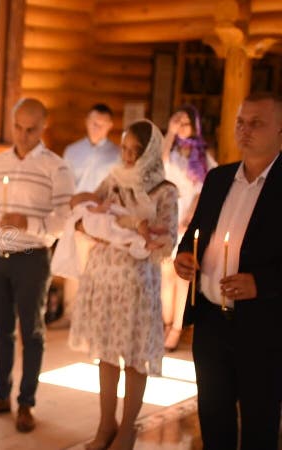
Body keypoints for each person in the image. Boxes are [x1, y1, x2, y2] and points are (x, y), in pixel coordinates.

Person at [174, 92, 282, 450]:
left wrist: (261, 283)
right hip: (210, 322)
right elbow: (194, 236)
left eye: (257, 123)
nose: (245, 130)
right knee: (214, 418)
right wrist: (184, 258)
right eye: (240, 122)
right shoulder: (218, 178)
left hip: (264, 327)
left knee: (259, 423)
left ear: (280, 129)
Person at [69, 119, 178, 450]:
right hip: (104, 278)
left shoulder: (165, 190)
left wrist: (133, 230)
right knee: (106, 354)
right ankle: (106, 424)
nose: (128, 157)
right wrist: (97, 223)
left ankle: (128, 427)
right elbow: (87, 211)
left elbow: (168, 239)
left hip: (136, 284)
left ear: (150, 153)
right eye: (125, 149)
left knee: (133, 356)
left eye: (136, 151)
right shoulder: (114, 179)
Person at [0, 98, 74, 432]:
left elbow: (64, 220)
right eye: (18, 127)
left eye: (31, 129)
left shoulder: (56, 168)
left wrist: (27, 221)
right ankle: (0, 394)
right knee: (1, 330)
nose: (23, 134)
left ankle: (26, 403)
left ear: (43, 127)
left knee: (32, 332)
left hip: (32, 260)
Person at [53, 104, 121, 329]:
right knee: (74, 261)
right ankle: (71, 313)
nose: (96, 127)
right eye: (93, 122)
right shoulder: (72, 151)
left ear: (110, 125)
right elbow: (65, 183)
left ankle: (95, 317)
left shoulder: (116, 154)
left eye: (101, 124)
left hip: (102, 217)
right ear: (86, 122)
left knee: (98, 266)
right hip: (76, 215)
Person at [160, 104, 217, 351]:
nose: (182, 126)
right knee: (165, 274)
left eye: (186, 122)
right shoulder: (169, 151)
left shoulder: (203, 155)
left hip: (189, 216)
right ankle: (165, 321)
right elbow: (158, 164)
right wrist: (170, 133)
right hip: (168, 214)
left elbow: (207, 187)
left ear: (195, 125)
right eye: (177, 121)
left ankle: (177, 328)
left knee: (182, 275)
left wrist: (193, 215)